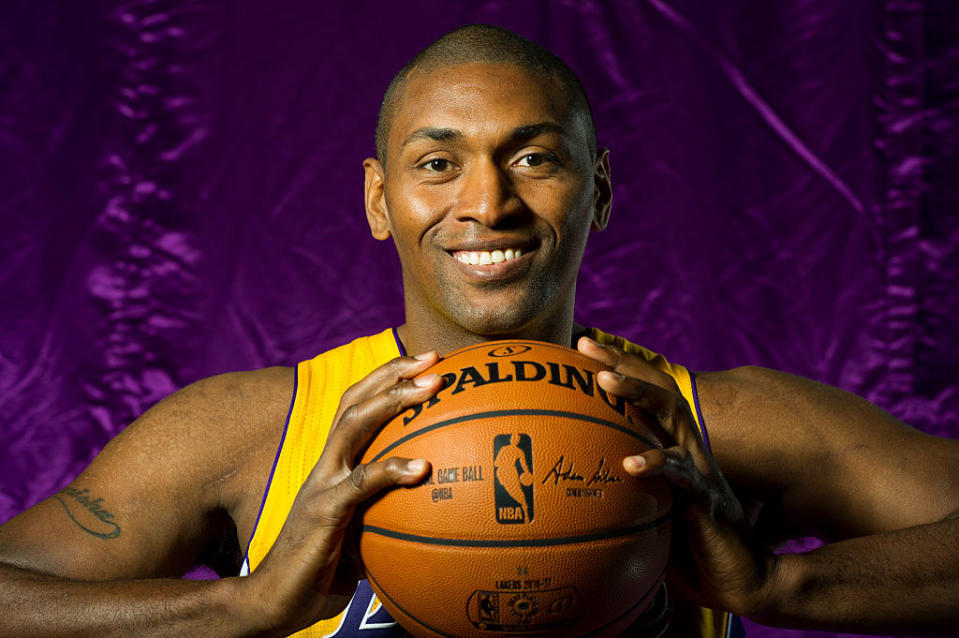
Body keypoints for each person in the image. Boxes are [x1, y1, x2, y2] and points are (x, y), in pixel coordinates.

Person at [1, 23, 957, 638]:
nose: (487, 203)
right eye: (437, 163)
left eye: (534, 158)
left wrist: (779, 589)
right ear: (381, 200)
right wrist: (236, 606)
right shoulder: (253, 433)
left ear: (601, 190)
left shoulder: (710, 429)